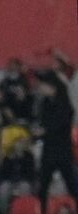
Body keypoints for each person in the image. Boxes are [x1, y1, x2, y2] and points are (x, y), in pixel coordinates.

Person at [34, 77, 78, 207]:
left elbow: (62, 124)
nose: (40, 89)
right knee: (43, 186)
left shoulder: (64, 103)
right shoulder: (45, 102)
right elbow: (42, 119)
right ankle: (42, 213)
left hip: (62, 151)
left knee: (71, 184)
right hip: (48, 150)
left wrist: (45, 130)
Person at [0, 57, 34, 125]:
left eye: (15, 66)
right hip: (7, 110)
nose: (13, 68)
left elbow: (28, 95)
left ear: (19, 67)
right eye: (11, 66)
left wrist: (23, 94)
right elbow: (0, 96)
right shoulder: (4, 82)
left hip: (22, 109)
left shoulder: (25, 80)